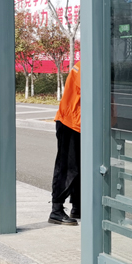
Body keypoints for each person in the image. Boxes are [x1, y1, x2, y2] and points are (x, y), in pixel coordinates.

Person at [48, 61, 82, 226]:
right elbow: (92, 91)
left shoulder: (85, 64)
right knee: (68, 167)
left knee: (80, 168)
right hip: (70, 123)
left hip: (78, 123)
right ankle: (56, 210)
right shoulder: (85, 66)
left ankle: (78, 207)